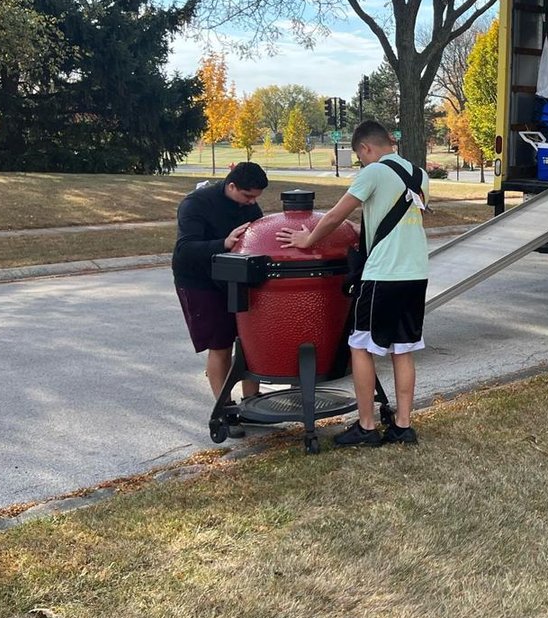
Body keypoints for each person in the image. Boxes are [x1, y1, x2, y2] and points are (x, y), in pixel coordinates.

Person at [277, 121, 428, 446]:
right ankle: (403, 426)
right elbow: (397, 221)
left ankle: (367, 426)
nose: (361, 161)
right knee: (403, 349)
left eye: (360, 156)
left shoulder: (373, 172)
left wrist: (307, 240)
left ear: (365, 149)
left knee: (360, 346)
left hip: (384, 274)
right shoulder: (419, 174)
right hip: (416, 272)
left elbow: (334, 216)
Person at [173, 162, 269, 420]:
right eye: (248, 196)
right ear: (231, 186)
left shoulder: (248, 205)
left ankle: (252, 403)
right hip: (199, 281)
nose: (252, 203)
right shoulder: (196, 204)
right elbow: (185, 249)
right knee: (221, 344)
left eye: (256, 198)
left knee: (249, 340)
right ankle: (224, 407)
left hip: (235, 278)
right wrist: (223, 243)